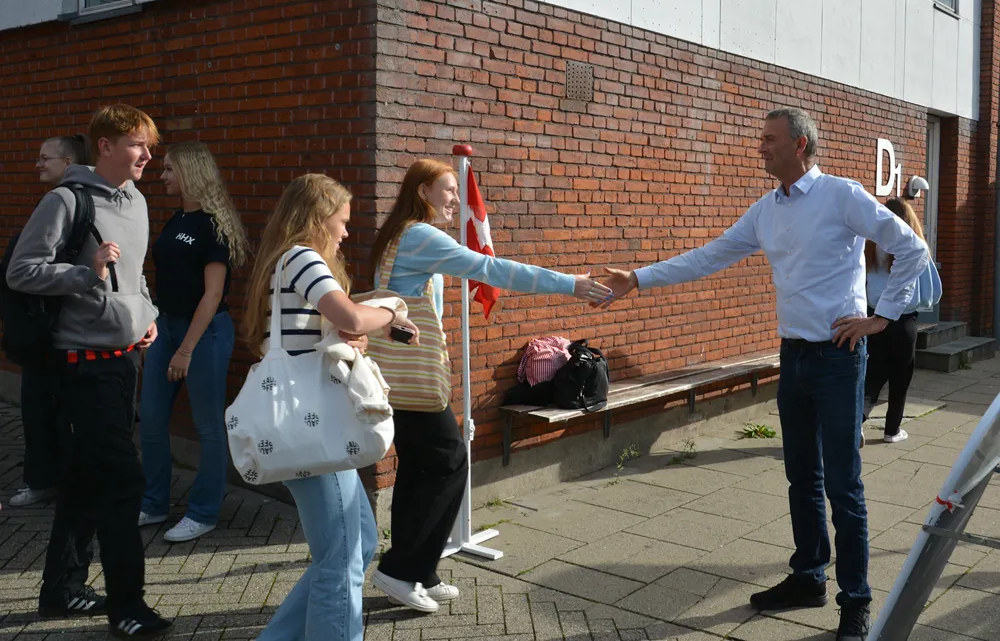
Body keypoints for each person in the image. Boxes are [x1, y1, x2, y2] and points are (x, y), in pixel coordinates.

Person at [599, 108, 929, 641]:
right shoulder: (766, 211)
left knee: (844, 485)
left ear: (801, 145)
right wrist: (636, 279)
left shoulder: (841, 195)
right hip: (793, 357)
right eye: (761, 140)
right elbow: (709, 256)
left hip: (839, 360)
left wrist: (881, 317)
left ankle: (856, 602)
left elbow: (912, 248)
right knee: (802, 477)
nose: (761, 148)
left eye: (769, 140)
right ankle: (808, 578)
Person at [368, 158, 613, 613]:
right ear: (422, 192)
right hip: (414, 377)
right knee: (447, 462)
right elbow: (490, 269)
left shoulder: (399, 234)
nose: (456, 200)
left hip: (397, 374)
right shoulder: (420, 236)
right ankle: (400, 570)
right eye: (447, 190)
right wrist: (569, 284)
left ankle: (419, 569)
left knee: (424, 467)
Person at [6, 104, 172, 639]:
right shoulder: (65, 199)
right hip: (82, 368)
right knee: (124, 482)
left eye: (149, 146)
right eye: (137, 144)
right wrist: (85, 271)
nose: (148, 154)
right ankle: (128, 606)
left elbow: (136, 274)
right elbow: (22, 271)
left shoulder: (138, 201)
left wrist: (145, 318)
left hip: (125, 361)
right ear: (105, 146)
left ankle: (61, 588)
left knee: (84, 479)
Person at [244, 174, 420, 641]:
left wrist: (348, 331)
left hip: (308, 424)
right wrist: (390, 314)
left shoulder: (284, 261)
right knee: (341, 558)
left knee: (355, 547)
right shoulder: (302, 256)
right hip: (313, 426)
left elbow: (315, 332)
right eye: (341, 222)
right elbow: (349, 315)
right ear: (316, 218)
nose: (345, 232)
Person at [137, 142, 251, 542]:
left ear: (190, 172)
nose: (163, 175)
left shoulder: (213, 224)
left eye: (169, 169)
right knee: (150, 417)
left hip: (205, 333)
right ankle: (153, 503)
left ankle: (203, 512)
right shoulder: (176, 219)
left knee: (207, 426)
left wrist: (186, 349)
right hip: (166, 327)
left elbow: (213, 294)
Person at [10, 134, 92, 509]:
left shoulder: (68, 203)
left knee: (51, 406)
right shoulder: (57, 202)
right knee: (38, 404)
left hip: (60, 327)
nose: (38, 165)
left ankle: (56, 481)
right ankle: (46, 478)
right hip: (43, 329)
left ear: (69, 163)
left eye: (46, 158)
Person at [863, 198, 941, 445]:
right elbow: (932, 291)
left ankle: (858, 419)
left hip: (872, 317)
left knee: (873, 373)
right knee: (900, 376)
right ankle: (892, 430)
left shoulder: (870, 248)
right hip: (903, 320)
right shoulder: (914, 248)